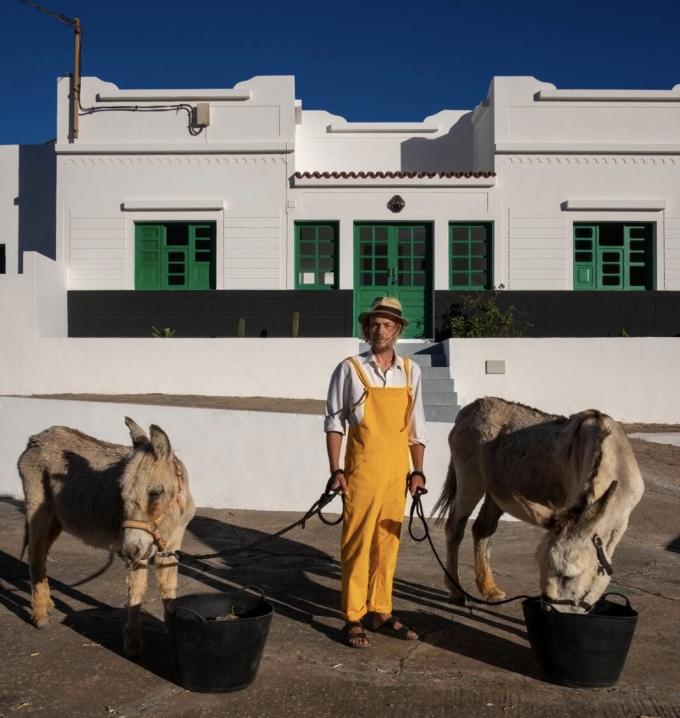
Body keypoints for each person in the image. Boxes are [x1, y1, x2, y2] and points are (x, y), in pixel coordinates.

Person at [324, 297, 428, 648]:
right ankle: (353, 615)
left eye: (387, 324)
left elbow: (417, 427)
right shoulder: (350, 368)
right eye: (374, 324)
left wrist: (418, 473)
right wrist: (336, 470)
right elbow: (335, 422)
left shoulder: (412, 372)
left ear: (397, 330)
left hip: (396, 472)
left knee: (388, 544)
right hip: (361, 472)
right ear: (366, 330)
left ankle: (380, 609)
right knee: (357, 543)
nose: (379, 330)